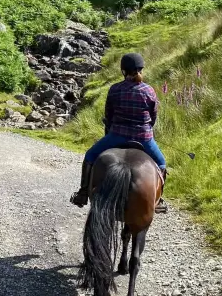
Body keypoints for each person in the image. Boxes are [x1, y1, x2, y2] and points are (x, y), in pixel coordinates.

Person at [69, 52, 168, 213]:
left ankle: (82, 193)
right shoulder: (149, 90)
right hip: (144, 138)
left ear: (123, 71)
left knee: (90, 156)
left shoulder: (115, 89)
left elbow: (109, 115)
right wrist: (147, 129)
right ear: (140, 69)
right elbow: (153, 116)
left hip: (116, 135)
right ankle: (156, 201)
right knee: (162, 163)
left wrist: (111, 127)